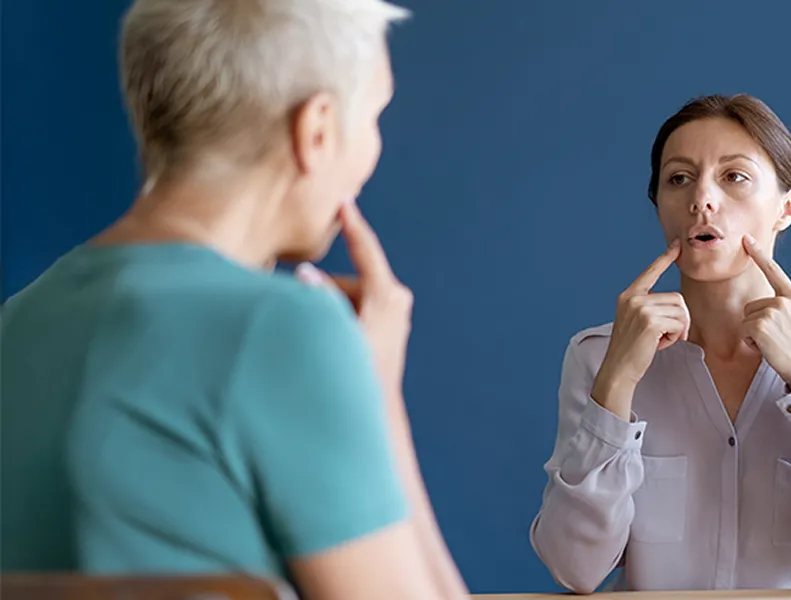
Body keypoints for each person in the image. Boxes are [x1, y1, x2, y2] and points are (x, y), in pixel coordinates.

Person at [0, 2, 468, 599]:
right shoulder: (287, 330)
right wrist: (380, 396)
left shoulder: (17, 322)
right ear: (317, 131)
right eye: (375, 115)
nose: (373, 149)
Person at [529, 94, 791, 594]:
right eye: (678, 179)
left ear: (786, 208)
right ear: (659, 207)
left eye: (734, 177)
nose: (702, 199)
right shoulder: (596, 355)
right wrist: (615, 386)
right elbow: (574, 568)